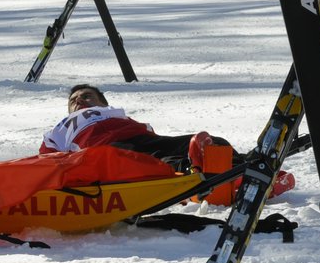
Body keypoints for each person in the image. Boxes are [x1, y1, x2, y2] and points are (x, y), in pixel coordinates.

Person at [40, 83, 293, 201]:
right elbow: (45, 162)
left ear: (103, 103)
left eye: (87, 95)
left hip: (145, 138)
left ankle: (254, 170)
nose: (80, 101)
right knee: (163, 162)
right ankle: (217, 179)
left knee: (214, 142)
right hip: (109, 151)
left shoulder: (115, 112)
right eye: (74, 99)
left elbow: (149, 134)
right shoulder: (61, 128)